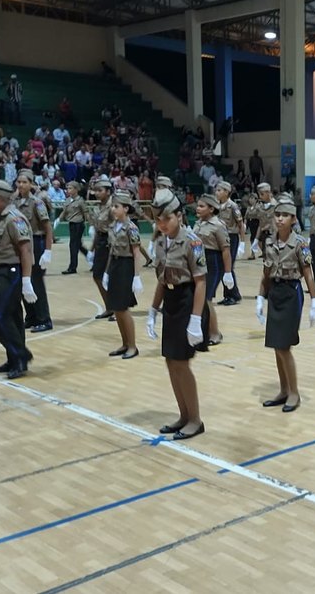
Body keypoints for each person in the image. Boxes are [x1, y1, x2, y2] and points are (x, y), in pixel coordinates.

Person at [146, 189, 207, 440]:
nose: (162, 224)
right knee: (171, 362)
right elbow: (162, 279)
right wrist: (153, 310)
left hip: (187, 301)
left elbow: (201, 282)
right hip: (170, 302)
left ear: (179, 216)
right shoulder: (160, 242)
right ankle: (183, 415)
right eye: (158, 220)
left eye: (167, 219)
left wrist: (195, 319)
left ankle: (195, 419)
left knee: (182, 363)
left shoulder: (192, 241)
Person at [257, 198, 315, 412]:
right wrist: (260, 297)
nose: (279, 219)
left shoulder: (300, 243)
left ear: (293, 219)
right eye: (277, 215)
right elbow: (266, 272)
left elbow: (308, 274)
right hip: (274, 292)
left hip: (292, 294)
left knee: (284, 347)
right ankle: (283, 390)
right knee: (276, 346)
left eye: (285, 215)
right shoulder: (269, 242)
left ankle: (294, 393)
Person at [0, 180, 37, 379]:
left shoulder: (14, 219)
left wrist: (26, 280)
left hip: (11, 272)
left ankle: (20, 353)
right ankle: (15, 360)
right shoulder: (0, 218)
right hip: (2, 270)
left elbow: (25, 250)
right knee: (12, 317)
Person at [101, 191, 144, 359]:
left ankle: (132, 346)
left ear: (126, 209)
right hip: (115, 266)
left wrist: (137, 276)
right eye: (112, 206)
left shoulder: (131, 228)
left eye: (116, 206)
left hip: (126, 267)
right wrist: (106, 272)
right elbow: (111, 251)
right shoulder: (113, 226)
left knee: (123, 308)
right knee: (116, 309)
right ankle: (124, 343)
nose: (113, 209)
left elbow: (137, 253)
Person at [13, 170, 53, 332]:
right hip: (20, 245)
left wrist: (48, 251)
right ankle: (31, 317)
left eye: (24, 182)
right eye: (19, 182)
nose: (21, 185)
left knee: (36, 282)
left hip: (35, 243)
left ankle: (44, 319)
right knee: (23, 281)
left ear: (31, 184)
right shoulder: (14, 202)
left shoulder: (37, 203)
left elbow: (47, 228)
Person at [192, 193, 232, 345]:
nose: (198, 208)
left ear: (211, 209)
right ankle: (204, 331)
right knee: (199, 299)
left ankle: (215, 333)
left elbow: (226, 250)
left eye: (202, 206)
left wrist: (228, 273)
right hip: (198, 261)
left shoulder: (218, 225)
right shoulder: (198, 223)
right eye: (198, 205)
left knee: (206, 299)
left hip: (212, 262)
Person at [87, 178, 115, 319]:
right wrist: (91, 250)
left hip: (112, 243)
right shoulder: (99, 207)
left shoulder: (113, 207)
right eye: (96, 190)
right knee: (97, 276)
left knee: (112, 277)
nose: (97, 193)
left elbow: (117, 228)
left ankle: (118, 309)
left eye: (100, 190)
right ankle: (109, 307)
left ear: (108, 192)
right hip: (101, 242)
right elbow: (98, 230)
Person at [214, 181, 245, 305]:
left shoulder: (232, 206)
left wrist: (242, 243)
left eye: (219, 190)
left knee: (228, 267)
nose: (217, 192)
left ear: (227, 192)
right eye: (216, 190)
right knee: (223, 267)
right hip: (220, 238)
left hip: (231, 237)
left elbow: (240, 224)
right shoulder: (217, 206)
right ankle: (229, 295)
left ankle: (233, 295)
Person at [58, 181, 88, 274]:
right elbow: (64, 212)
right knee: (77, 245)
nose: (68, 190)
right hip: (71, 224)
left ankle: (72, 267)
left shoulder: (80, 200)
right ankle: (91, 258)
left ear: (76, 189)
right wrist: (58, 220)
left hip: (78, 224)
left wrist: (89, 225)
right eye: (67, 188)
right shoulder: (68, 200)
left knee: (73, 246)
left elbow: (86, 212)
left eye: (70, 188)